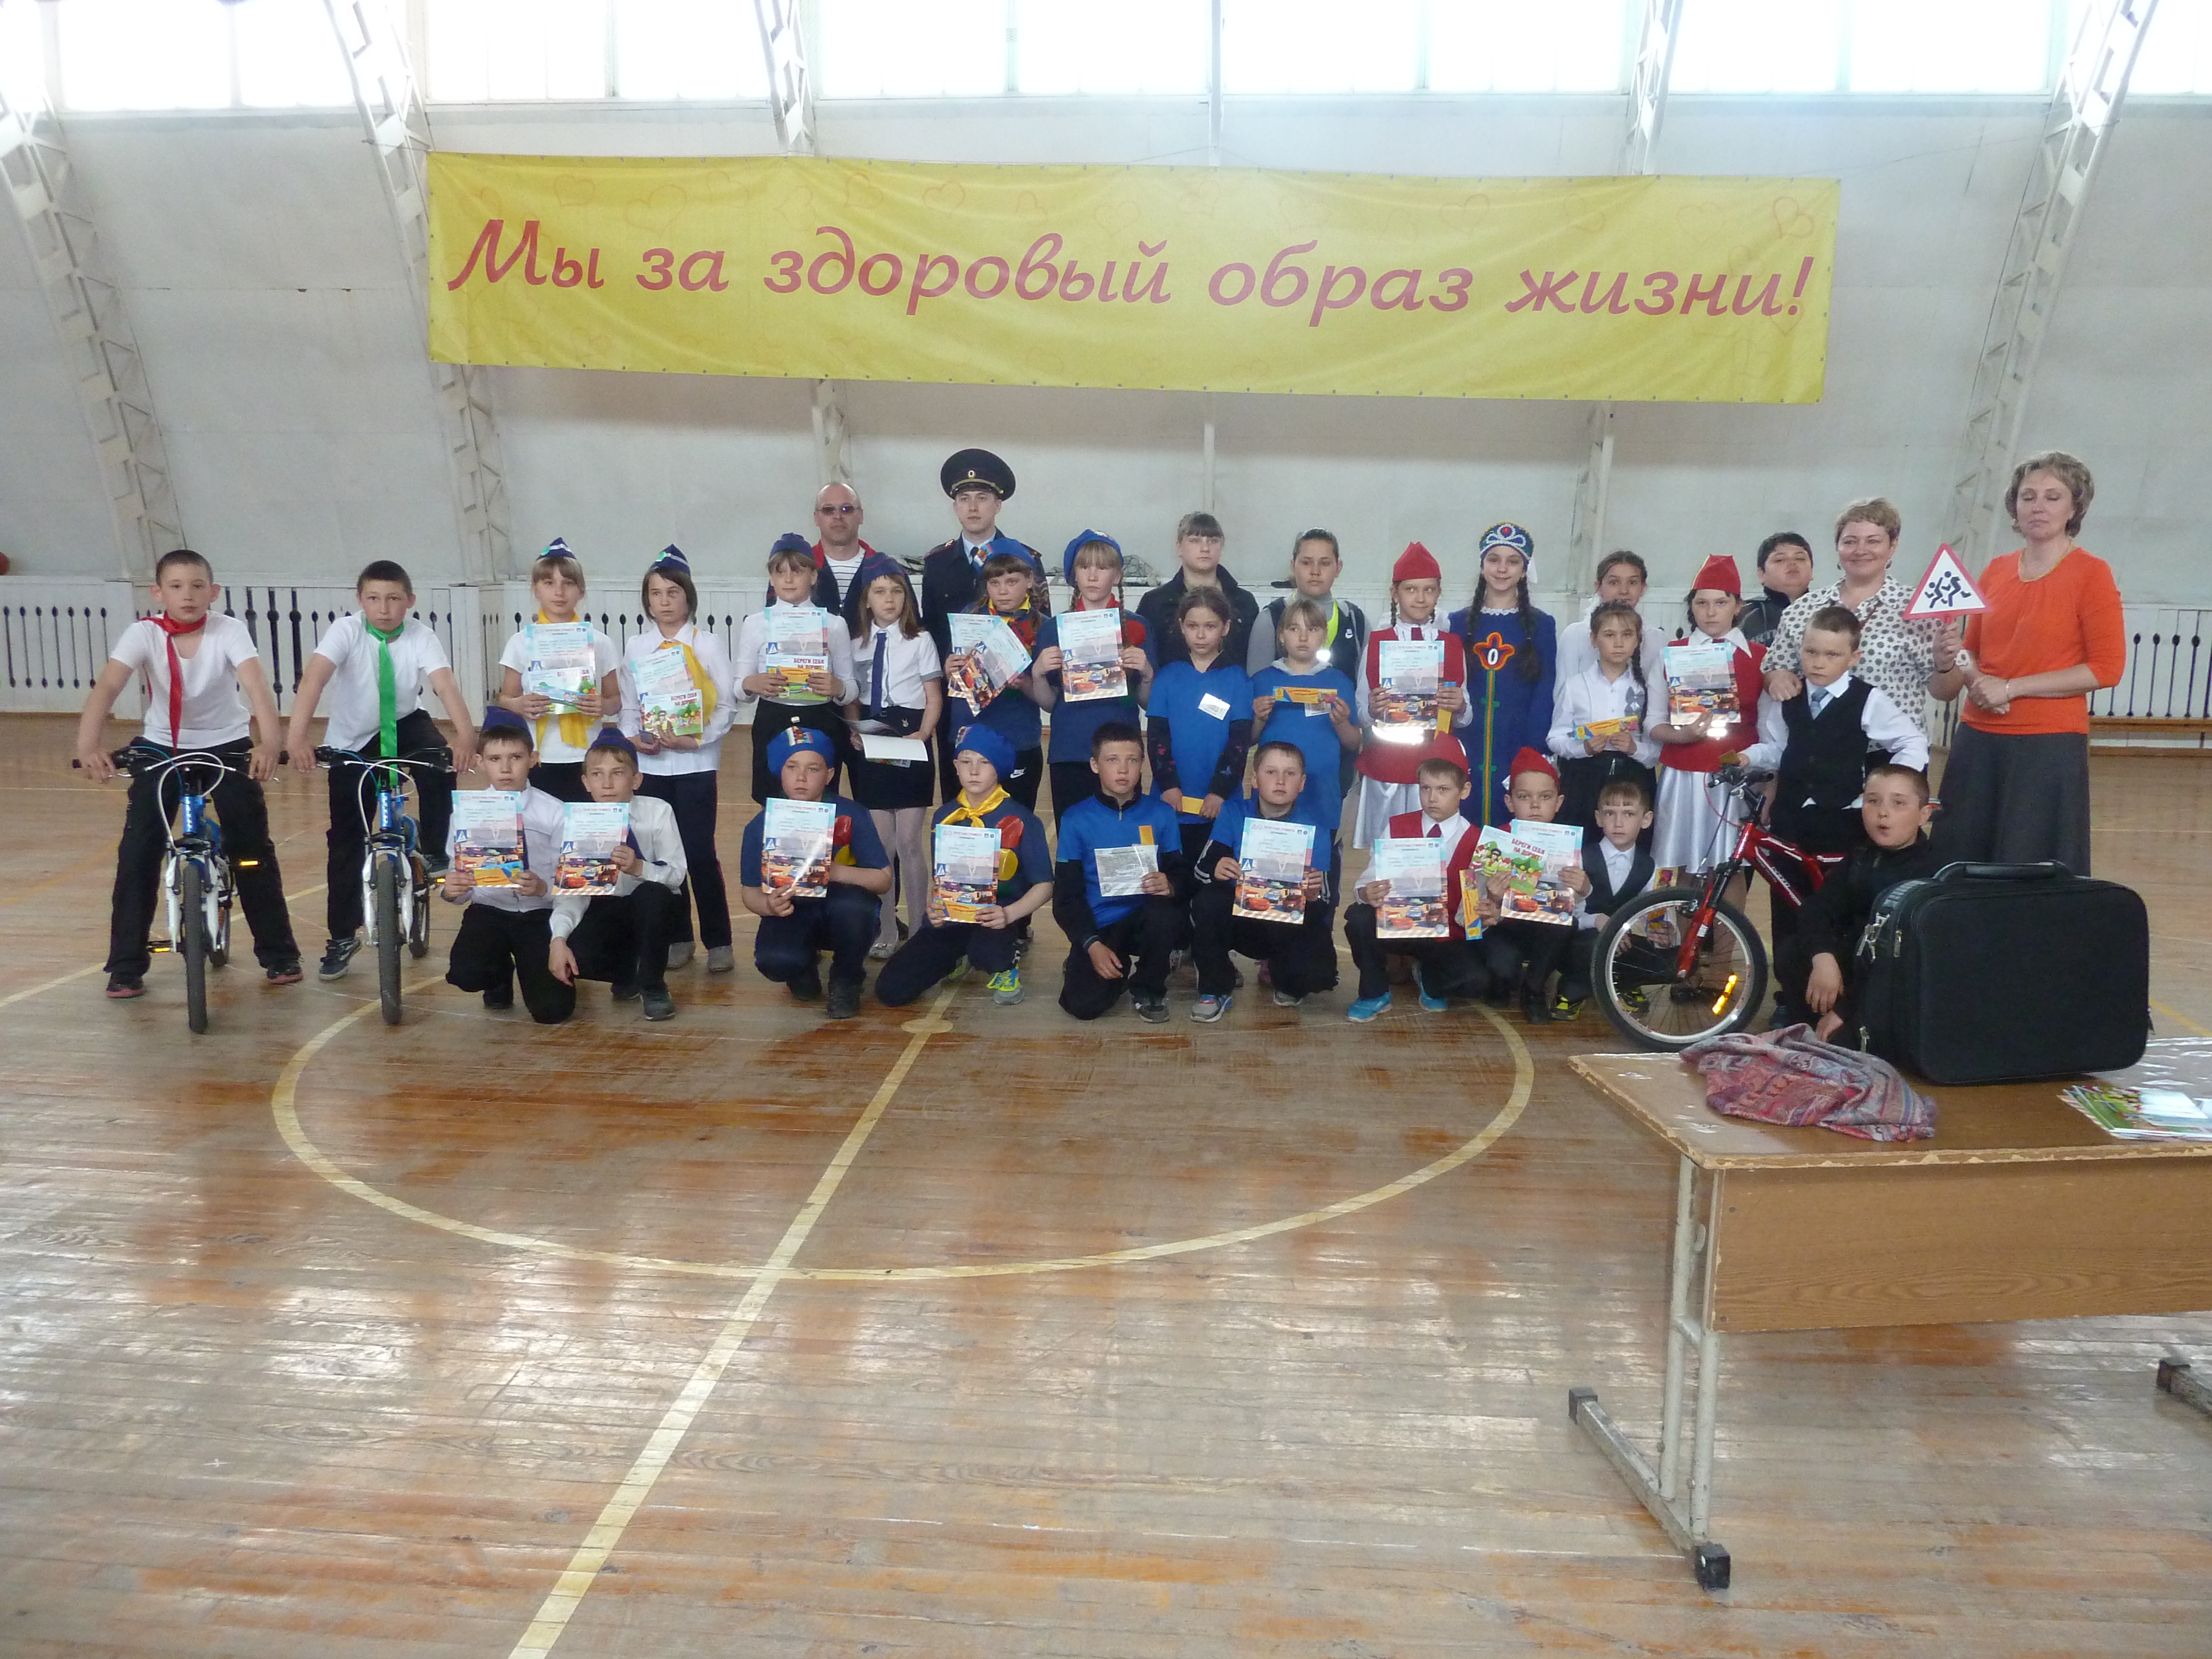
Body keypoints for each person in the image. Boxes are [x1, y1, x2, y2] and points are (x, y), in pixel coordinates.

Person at [74, 547, 301, 999]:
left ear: (213, 592)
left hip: (227, 744)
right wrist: (88, 746)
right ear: (158, 593)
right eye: (176, 587)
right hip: (162, 745)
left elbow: (257, 687)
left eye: (198, 586)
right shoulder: (143, 633)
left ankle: (278, 954)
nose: (188, 595)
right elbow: (109, 687)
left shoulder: (228, 631)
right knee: (138, 850)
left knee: (251, 848)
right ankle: (126, 965)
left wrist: (269, 743)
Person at [284, 558, 476, 983]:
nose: (384, 608)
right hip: (353, 737)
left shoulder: (421, 635)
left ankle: (435, 849)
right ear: (360, 600)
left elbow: (445, 685)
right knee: (346, 841)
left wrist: (466, 736)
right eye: (374, 599)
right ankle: (341, 936)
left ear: (410, 601)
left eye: (393, 599)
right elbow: (314, 680)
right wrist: (296, 738)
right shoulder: (345, 632)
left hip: (406, 723)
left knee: (438, 761)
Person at [1936, 451, 2126, 875]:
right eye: (2028, 496)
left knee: (2029, 868)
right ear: (2015, 506)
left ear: (2074, 507)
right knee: (1960, 861)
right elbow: (1973, 650)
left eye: (2053, 497)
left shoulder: (2092, 573)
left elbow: (2107, 668)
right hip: (1978, 738)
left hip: (2047, 744)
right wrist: (1968, 671)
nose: (2038, 506)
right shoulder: (1996, 570)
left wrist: (2011, 688)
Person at [617, 546, 737, 974]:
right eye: (656, 594)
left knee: (700, 853)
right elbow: (629, 706)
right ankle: (679, 936)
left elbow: (727, 705)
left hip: (695, 765)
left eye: (673, 592)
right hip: (652, 766)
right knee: (663, 853)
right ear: (646, 601)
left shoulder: (707, 644)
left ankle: (719, 941)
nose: (665, 601)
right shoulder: (637, 647)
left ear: (689, 597)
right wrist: (635, 740)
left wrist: (696, 739)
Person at [874, 726, 1053, 1010]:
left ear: (999, 769)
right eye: (966, 761)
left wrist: (1009, 915)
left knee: (988, 952)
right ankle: (956, 957)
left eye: (984, 762)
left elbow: (1045, 885)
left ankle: (1006, 964)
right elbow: (941, 878)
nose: (974, 771)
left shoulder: (1021, 819)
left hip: (996, 916)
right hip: (953, 916)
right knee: (891, 991)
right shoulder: (945, 816)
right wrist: (934, 906)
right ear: (956, 766)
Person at [1763, 498, 1966, 738]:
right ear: (1838, 547)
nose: (1861, 550)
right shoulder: (1802, 610)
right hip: (1818, 746)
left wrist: (1945, 665)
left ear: (1893, 546)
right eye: (1850, 541)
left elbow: (1945, 693)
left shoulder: (1921, 610)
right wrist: (1778, 678)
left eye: (1873, 541)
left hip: (1892, 750)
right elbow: (1773, 670)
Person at [1772, 764, 1942, 1044]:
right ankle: (1813, 1024)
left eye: (1898, 803)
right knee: (1792, 952)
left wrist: (1845, 1010)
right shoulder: (1863, 855)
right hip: (1855, 968)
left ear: (1924, 815)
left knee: (1843, 1042)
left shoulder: (1929, 875)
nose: (1883, 812)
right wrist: (1823, 957)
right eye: (1873, 801)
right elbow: (1817, 907)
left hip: (1891, 989)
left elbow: (1900, 967)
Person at [737, 723, 892, 1020]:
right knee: (775, 961)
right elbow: (749, 891)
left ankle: (847, 977)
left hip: (841, 905)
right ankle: (801, 968)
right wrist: (768, 906)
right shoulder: (762, 824)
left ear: (830, 775)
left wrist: (834, 872)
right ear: (780, 773)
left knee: (855, 909)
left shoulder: (851, 813)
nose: (801, 777)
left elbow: (883, 880)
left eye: (813, 769)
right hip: (792, 909)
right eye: (792, 767)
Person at [919, 447, 1044, 799]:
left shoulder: (1027, 560)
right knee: (960, 799)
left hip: (1014, 708)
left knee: (1015, 804)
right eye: (964, 499)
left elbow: (1039, 628)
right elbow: (931, 632)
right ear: (955, 506)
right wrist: (944, 668)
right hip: (959, 704)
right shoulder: (937, 563)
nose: (973, 507)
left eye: (983, 498)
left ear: (998, 505)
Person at [1187, 740, 1342, 1021]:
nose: (1280, 781)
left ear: (1302, 783)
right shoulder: (1233, 813)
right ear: (1254, 779)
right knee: (1207, 901)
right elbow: (1200, 870)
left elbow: (1326, 901)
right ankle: (1215, 988)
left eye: (1290, 773)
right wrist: (1216, 869)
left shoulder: (1315, 828)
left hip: (1285, 924)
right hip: (1239, 922)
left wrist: (1313, 895)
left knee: (1317, 976)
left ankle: (1284, 973)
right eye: (1271, 772)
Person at [439, 708, 571, 1023]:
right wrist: (451, 889)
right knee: (466, 974)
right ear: (481, 761)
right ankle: (498, 975)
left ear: (533, 759)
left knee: (552, 1011)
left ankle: (533, 964)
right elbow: (456, 878)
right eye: (495, 759)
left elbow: (572, 880)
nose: (506, 768)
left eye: (516, 757)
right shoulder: (466, 812)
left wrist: (543, 887)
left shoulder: (556, 812)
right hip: (489, 911)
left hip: (539, 914)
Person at [546, 730, 686, 1022]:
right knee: (577, 957)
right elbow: (572, 893)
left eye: (617, 773)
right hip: (604, 908)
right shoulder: (577, 824)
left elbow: (677, 875)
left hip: (650, 908)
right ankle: (626, 973)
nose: (607, 784)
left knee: (655, 894)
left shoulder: (658, 812)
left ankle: (653, 985)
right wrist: (559, 938)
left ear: (636, 780)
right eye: (597, 774)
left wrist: (640, 868)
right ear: (586, 782)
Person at [1052, 722, 1187, 1022]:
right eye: (1112, 760)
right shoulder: (1075, 819)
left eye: (1132, 760)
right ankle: (1112, 963)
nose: (1123, 769)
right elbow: (1066, 897)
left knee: (1165, 915)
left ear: (1143, 765)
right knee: (1083, 1006)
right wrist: (1091, 944)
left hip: (1146, 920)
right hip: (1100, 924)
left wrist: (1171, 883)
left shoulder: (1161, 814)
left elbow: (1181, 874)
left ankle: (1149, 987)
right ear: (1095, 765)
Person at [1344, 752, 1491, 1022]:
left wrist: (1483, 912)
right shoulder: (1398, 826)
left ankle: (1427, 976)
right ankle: (1374, 993)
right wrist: (1366, 892)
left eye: (1443, 790)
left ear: (1464, 791)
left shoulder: (1478, 841)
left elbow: (1470, 913)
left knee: (1474, 981)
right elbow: (1370, 876)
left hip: (1445, 934)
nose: (1432, 798)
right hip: (1399, 922)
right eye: (1426, 788)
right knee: (1358, 917)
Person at [842, 566, 943, 959]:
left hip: (910, 736)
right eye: (880, 592)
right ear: (867, 600)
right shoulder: (856, 644)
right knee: (882, 846)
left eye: (897, 592)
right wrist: (854, 729)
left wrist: (924, 733)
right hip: (873, 738)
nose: (889, 599)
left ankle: (918, 929)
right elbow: (853, 696)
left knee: (908, 842)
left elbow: (933, 696)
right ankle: (886, 927)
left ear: (907, 598)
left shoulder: (921, 640)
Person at [1647, 555, 1765, 877]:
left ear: (1738, 606)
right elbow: (1653, 723)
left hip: (1736, 777)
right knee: (1681, 868)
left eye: (1721, 602)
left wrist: (1768, 779)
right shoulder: (1671, 654)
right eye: (1702, 603)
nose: (1711, 612)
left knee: (1730, 870)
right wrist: (1682, 736)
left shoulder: (1760, 658)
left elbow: (1771, 731)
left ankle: (1727, 916)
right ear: (1692, 606)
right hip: (1682, 776)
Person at [1349, 542, 1471, 849]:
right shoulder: (1377, 643)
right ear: (1395, 593)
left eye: (1429, 590)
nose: (1420, 598)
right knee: (1386, 851)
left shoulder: (1453, 645)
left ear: (1439, 593)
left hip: (1435, 770)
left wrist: (1459, 705)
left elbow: (1466, 715)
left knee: (1434, 850)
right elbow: (1360, 712)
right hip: (1387, 765)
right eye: (1411, 589)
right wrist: (1373, 709)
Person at [1031, 530, 1156, 818]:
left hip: (1122, 752)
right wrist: (1038, 673)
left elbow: (1148, 702)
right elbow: (1049, 704)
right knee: (1071, 836)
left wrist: (1147, 673)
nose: (1092, 575)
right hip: (1069, 750)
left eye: (1102, 567)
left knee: (1122, 832)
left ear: (1118, 575)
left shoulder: (1138, 628)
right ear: (1074, 575)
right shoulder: (1053, 629)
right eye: (1084, 567)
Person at [494, 539, 623, 804]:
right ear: (535, 590)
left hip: (588, 754)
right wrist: (520, 704)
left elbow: (616, 701)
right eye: (549, 583)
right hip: (538, 754)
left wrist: (603, 705)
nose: (559, 592)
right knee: (542, 824)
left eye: (568, 583)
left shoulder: (600, 642)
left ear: (581, 591)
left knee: (585, 823)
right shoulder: (520, 642)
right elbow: (505, 698)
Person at [734, 533, 859, 806]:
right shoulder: (755, 624)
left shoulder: (834, 625)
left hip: (821, 718)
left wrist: (838, 688)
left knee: (819, 801)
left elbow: (851, 687)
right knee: (772, 800)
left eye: (797, 571)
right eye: (780, 573)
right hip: (773, 718)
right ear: (771, 578)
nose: (788, 579)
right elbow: (739, 689)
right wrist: (751, 683)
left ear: (813, 576)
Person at [1451, 523, 1558, 828]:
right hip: (1468, 740)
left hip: (1518, 741)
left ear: (1524, 570)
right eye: (1494, 559)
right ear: (1482, 566)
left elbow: (1545, 689)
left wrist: (1534, 750)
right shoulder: (1456, 623)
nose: (1502, 569)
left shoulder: (1542, 625)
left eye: (1512, 562)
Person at [1146, 587, 1255, 871]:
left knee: (1212, 880)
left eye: (1210, 626)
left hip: (1220, 807)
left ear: (1225, 628)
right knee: (1173, 880)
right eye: (1193, 626)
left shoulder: (1238, 680)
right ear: (1182, 626)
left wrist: (1219, 792)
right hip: (1171, 804)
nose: (1201, 635)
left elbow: (1239, 744)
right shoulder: (1167, 677)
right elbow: (1157, 738)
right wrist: (1169, 787)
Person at [1478, 749, 1590, 1024]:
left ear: (1559, 802)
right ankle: (1503, 980)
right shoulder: (1495, 841)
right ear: (1510, 802)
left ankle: (1534, 990)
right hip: (1504, 928)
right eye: (1524, 797)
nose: (1536, 806)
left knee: (1565, 923)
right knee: (1503, 965)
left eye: (1545, 797)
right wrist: (1492, 897)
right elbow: (1472, 905)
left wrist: (1584, 889)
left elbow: (1575, 907)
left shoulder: (1566, 845)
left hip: (1545, 931)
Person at [1547, 598, 1659, 841]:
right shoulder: (1576, 686)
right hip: (1582, 778)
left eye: (1627, 635)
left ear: (1637, 640)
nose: (1618, 643)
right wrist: (1583, 748)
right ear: (1594, 639)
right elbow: (1555, 738)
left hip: (1633, 779)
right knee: (1582, 846)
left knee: (1630, 845)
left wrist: (1634, 748)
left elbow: (1657, 752)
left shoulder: (1646, 688)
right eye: (1609, 635)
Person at [943, 549, 1047, 810]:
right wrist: (949, 668)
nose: (1003, 591)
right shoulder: (969, 617)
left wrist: (1025, 683)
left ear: (1029, 580)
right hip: (969, 737)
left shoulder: (1043, 627)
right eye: (994, 583)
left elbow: (1049, 700)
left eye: (1012, 582)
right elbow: (952, 673)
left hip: (1018, 739)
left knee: (1016, 818)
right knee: (967, 818)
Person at [1250, 598, 1360, 836]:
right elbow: (1248, 739)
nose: (1303, 637)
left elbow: (1354, 743)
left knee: (1319, 853)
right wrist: (1258, 718)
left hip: (1322, 790)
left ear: (1324, 636)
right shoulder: (1262, 681)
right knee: (1269, 847)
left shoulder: (1339, 681)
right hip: (1273, 790)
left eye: (1312, 629)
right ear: (1281, 636)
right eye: (1294, 629)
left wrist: (1341, 723)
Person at [1556, 775, 1658, 1014]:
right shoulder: (1580, 858)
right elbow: (1564, 914)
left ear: (1646, 820)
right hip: (1583, 940)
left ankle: (1626, 982)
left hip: (1624, 939)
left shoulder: (1650, 866)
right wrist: (1597, 921)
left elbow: (1651, 914)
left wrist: (1663, 931)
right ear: (1599, 818)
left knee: (1667, 956)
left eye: (1629, 814)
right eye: (1610, 813)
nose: (1618, 823)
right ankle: (1574, 987)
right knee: (1593, 944)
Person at [1135, 511, 1262, 671]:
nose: (1205, 548)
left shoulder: (1244, 602)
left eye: (1213, 541)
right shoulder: (1155, 603)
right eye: (1195, 541)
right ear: (1179, 548)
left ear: (1221, 547)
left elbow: (1255, 660)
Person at [1247, 528, 1369, 684]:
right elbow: (1256, 686)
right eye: (1306, 563)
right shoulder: (1270, 618)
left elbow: (1366, 688)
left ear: (1339, 567)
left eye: (1325, 563)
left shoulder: (1356, 620)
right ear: (1293, 566)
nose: (1315, 571)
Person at [1556, 550, 1671, 694]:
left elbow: (1661, 695)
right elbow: (1563, 693)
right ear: (1599, 588)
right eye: (1614, 583)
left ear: (1643, 588)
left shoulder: (1656, 639)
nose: (1624, 591)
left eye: (1632, 583)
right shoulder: (1575, 635)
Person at [799, 482, 904, 633]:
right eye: (828, 510)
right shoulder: (797, 568)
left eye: (847, 509)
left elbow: (910, 628)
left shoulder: (889, 570)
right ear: (816, 518)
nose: (838, 516)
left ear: (861, 516)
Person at [1737, 531, 1815, 649]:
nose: (1792, 564)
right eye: (1780, 560)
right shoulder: (1741, 615)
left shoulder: (1829, 611)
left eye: (1800, 559)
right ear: (1761, 575)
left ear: (1812, 571)